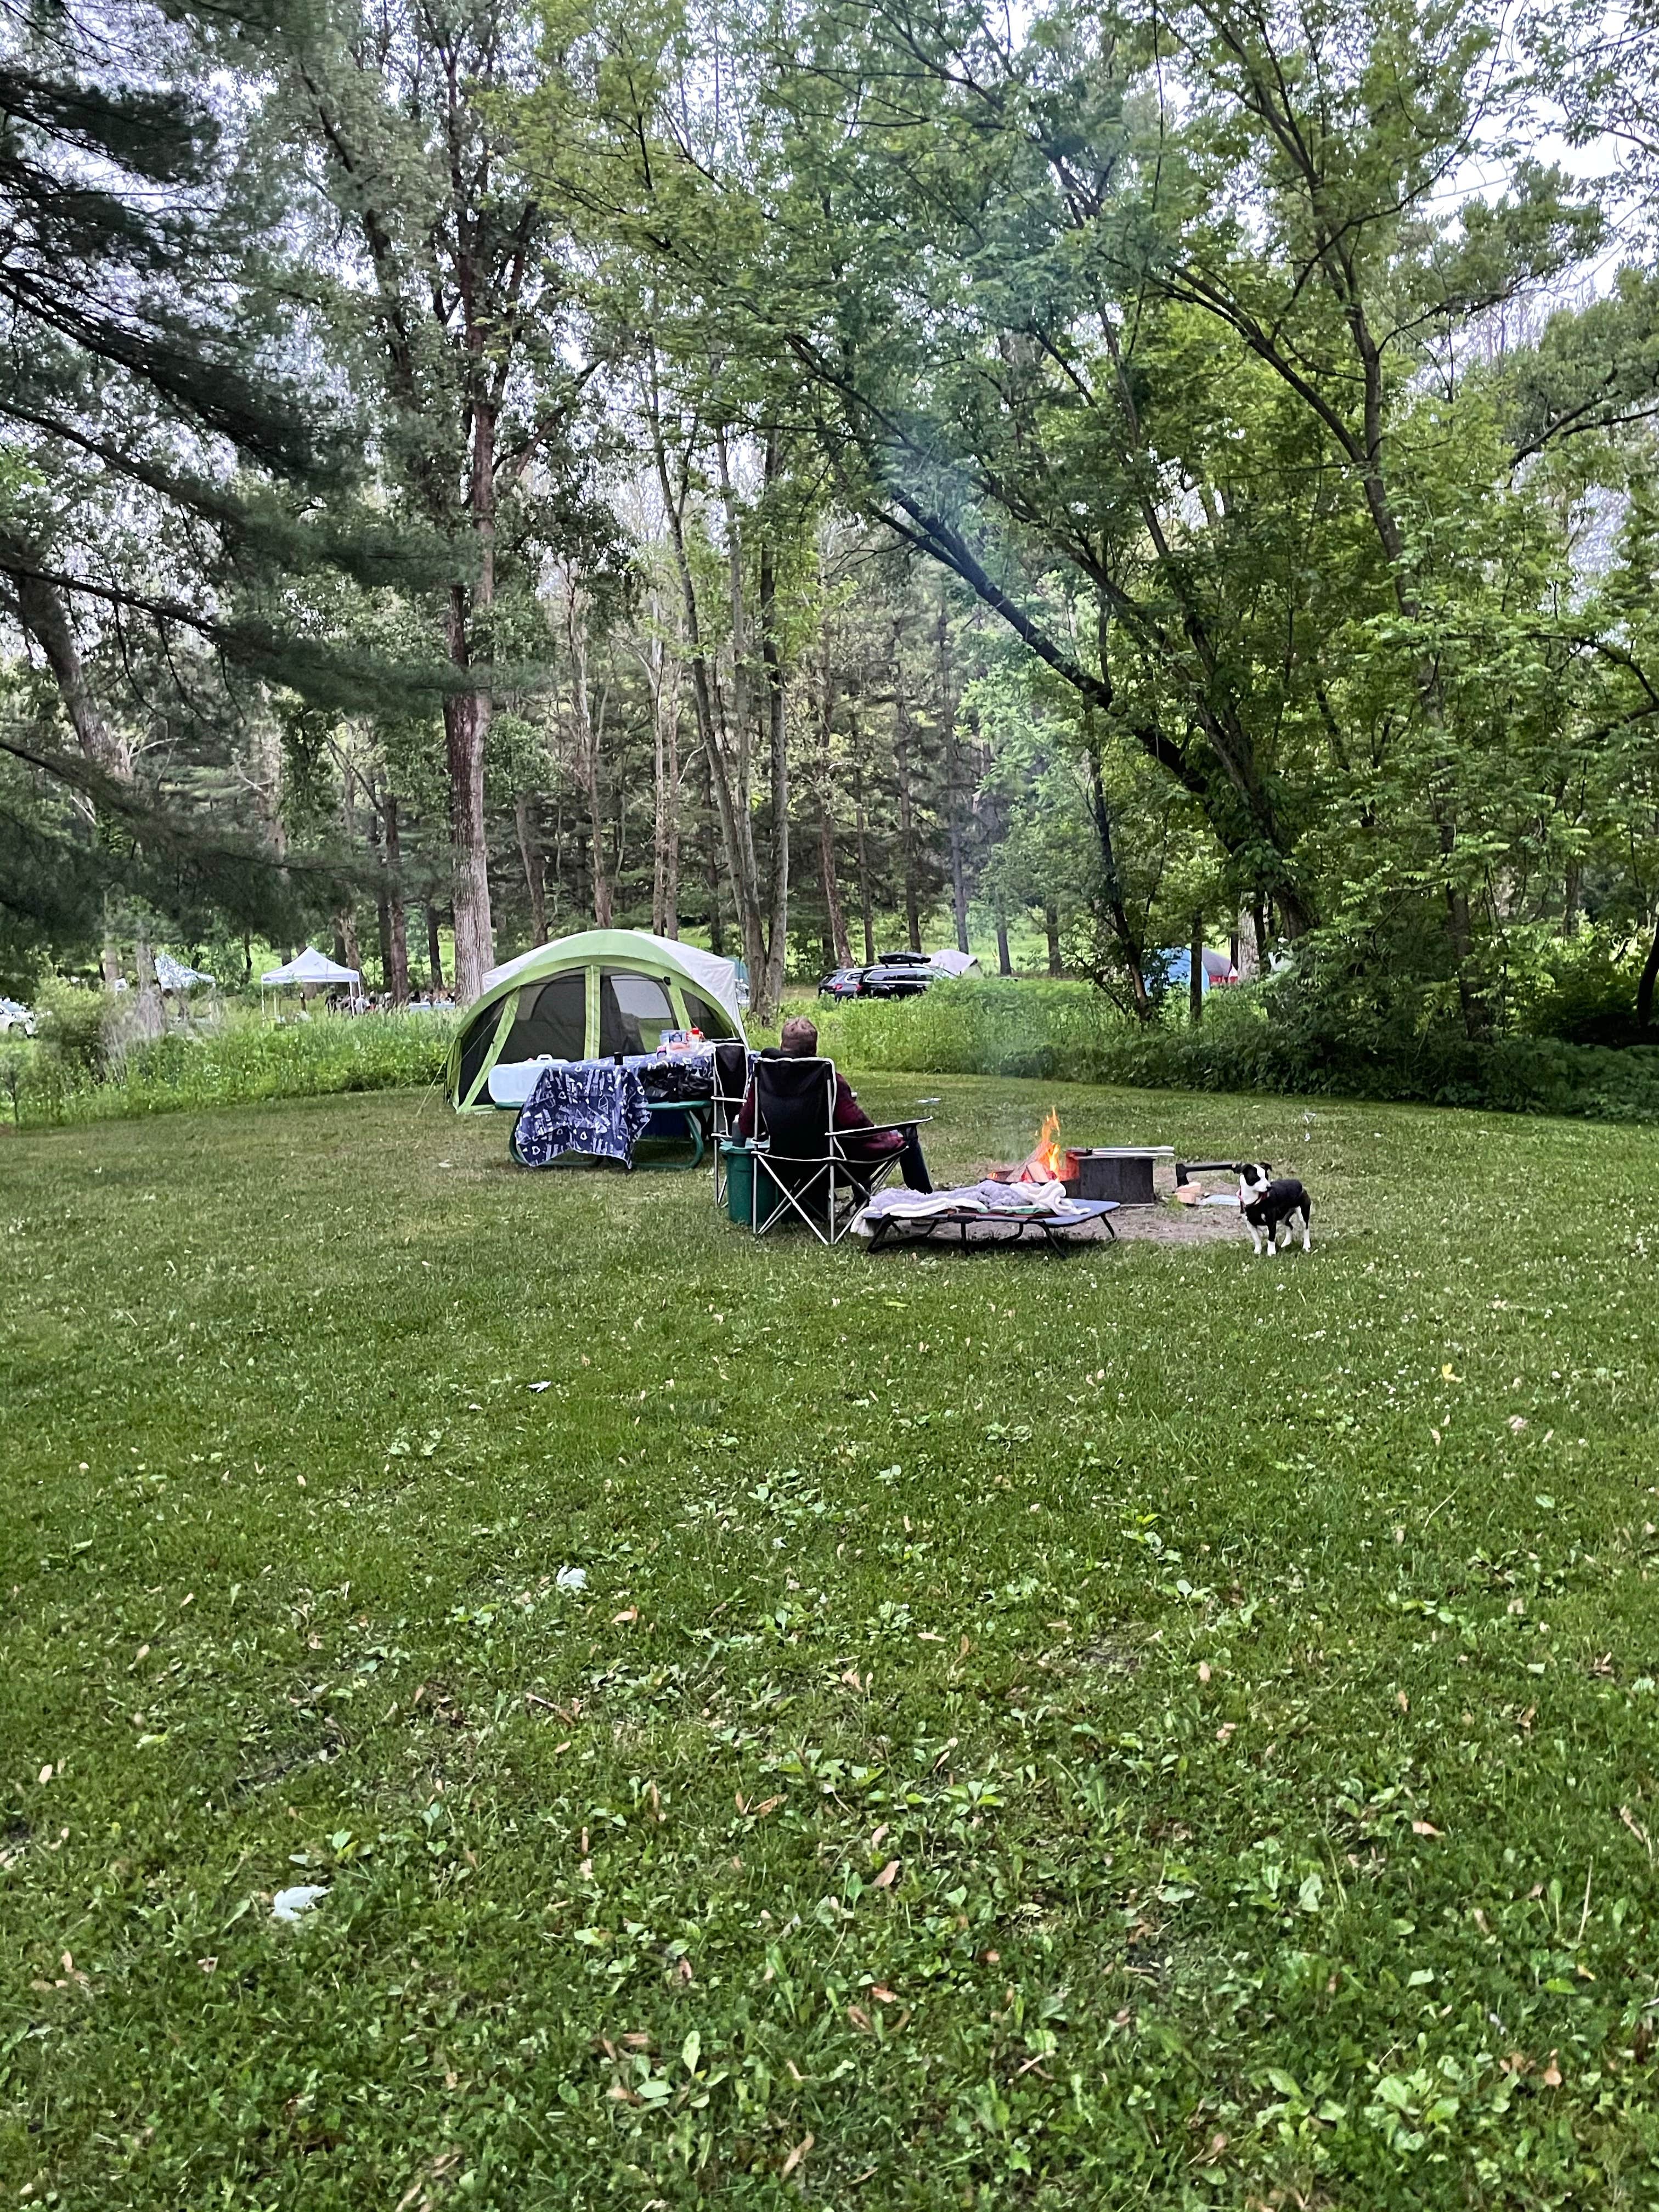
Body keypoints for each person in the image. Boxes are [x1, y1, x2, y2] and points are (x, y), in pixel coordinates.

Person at [736, 1015, 932, 1192]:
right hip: (831, 1167)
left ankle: (863, 1202)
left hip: (780, 1164)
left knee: (848, 1141)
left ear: (782, 1044)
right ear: (814, 1049)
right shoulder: (826, 1078)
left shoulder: (764, 1077)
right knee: (906, 1136)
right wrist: (883, 1136)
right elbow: (856, 1126)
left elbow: (747, 1126)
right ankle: (925, 1201)